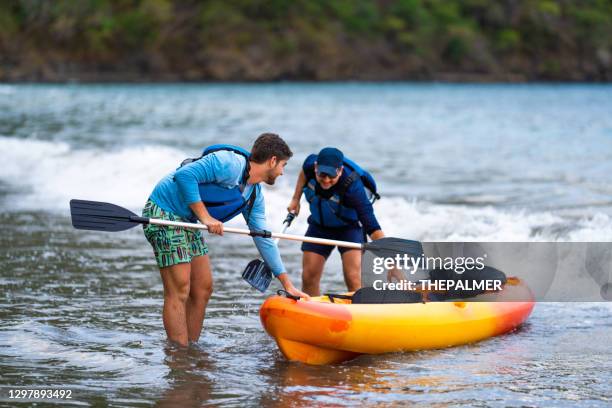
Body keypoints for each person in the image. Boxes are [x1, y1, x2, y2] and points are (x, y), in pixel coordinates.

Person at [143, 133, 308, 347]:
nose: (282, 172)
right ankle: (178, 354)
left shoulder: (254, 195)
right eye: (283, 165)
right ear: (273, 160)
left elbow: (263, 238)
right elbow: (184, 176)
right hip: (163, 212)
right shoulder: (229, 163)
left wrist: (287, 283)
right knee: (180, 288)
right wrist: (205, 217)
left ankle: (190, 348)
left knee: (203, 287)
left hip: (185, 218)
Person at [287, 147, 385, 296]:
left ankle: (359, 313)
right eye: (322, 175)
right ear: (315, 168)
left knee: (353, 278)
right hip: (319, 227)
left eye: (331, 176)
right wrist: (296, 199)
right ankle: (313, 313)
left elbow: (371, 226)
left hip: (349, 229)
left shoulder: (354, 188)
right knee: (308, 276)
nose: (326, 181)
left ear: (340, 171)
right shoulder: (309, 166)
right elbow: (303, 173)